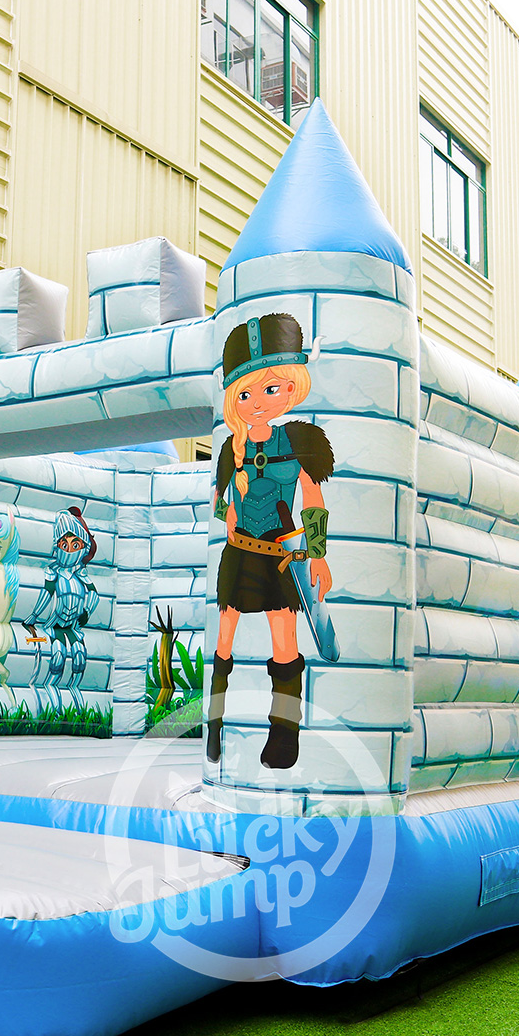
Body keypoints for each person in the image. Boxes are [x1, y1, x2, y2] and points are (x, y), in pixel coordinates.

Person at [208, 313, 334, 770]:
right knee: (224, 642)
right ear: (233, 399)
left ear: (291, 388)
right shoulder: (230, 451)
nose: (257, 403)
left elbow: (312, 498)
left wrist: (317, 556)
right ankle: (214, 725)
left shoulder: (299, 441)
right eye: (245, 394)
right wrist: (230, 512)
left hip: (281, 558)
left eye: (270, 389)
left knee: (285, 642)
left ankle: (284, 734)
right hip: (240, 555)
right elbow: (221, 507)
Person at [24, 506, 99, 710]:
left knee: (79, 658)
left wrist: (87, 612)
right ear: (57, 546)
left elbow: (93, 594)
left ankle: (77, 703)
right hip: (55, 626)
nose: (69, 550)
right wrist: (33, 617)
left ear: (83, 547)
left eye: (75, 545)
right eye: (64, 544)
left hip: (73, 626)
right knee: (57, 658)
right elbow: (47, 593)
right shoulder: (53, 572)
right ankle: (54, 702)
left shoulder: (80, 574)